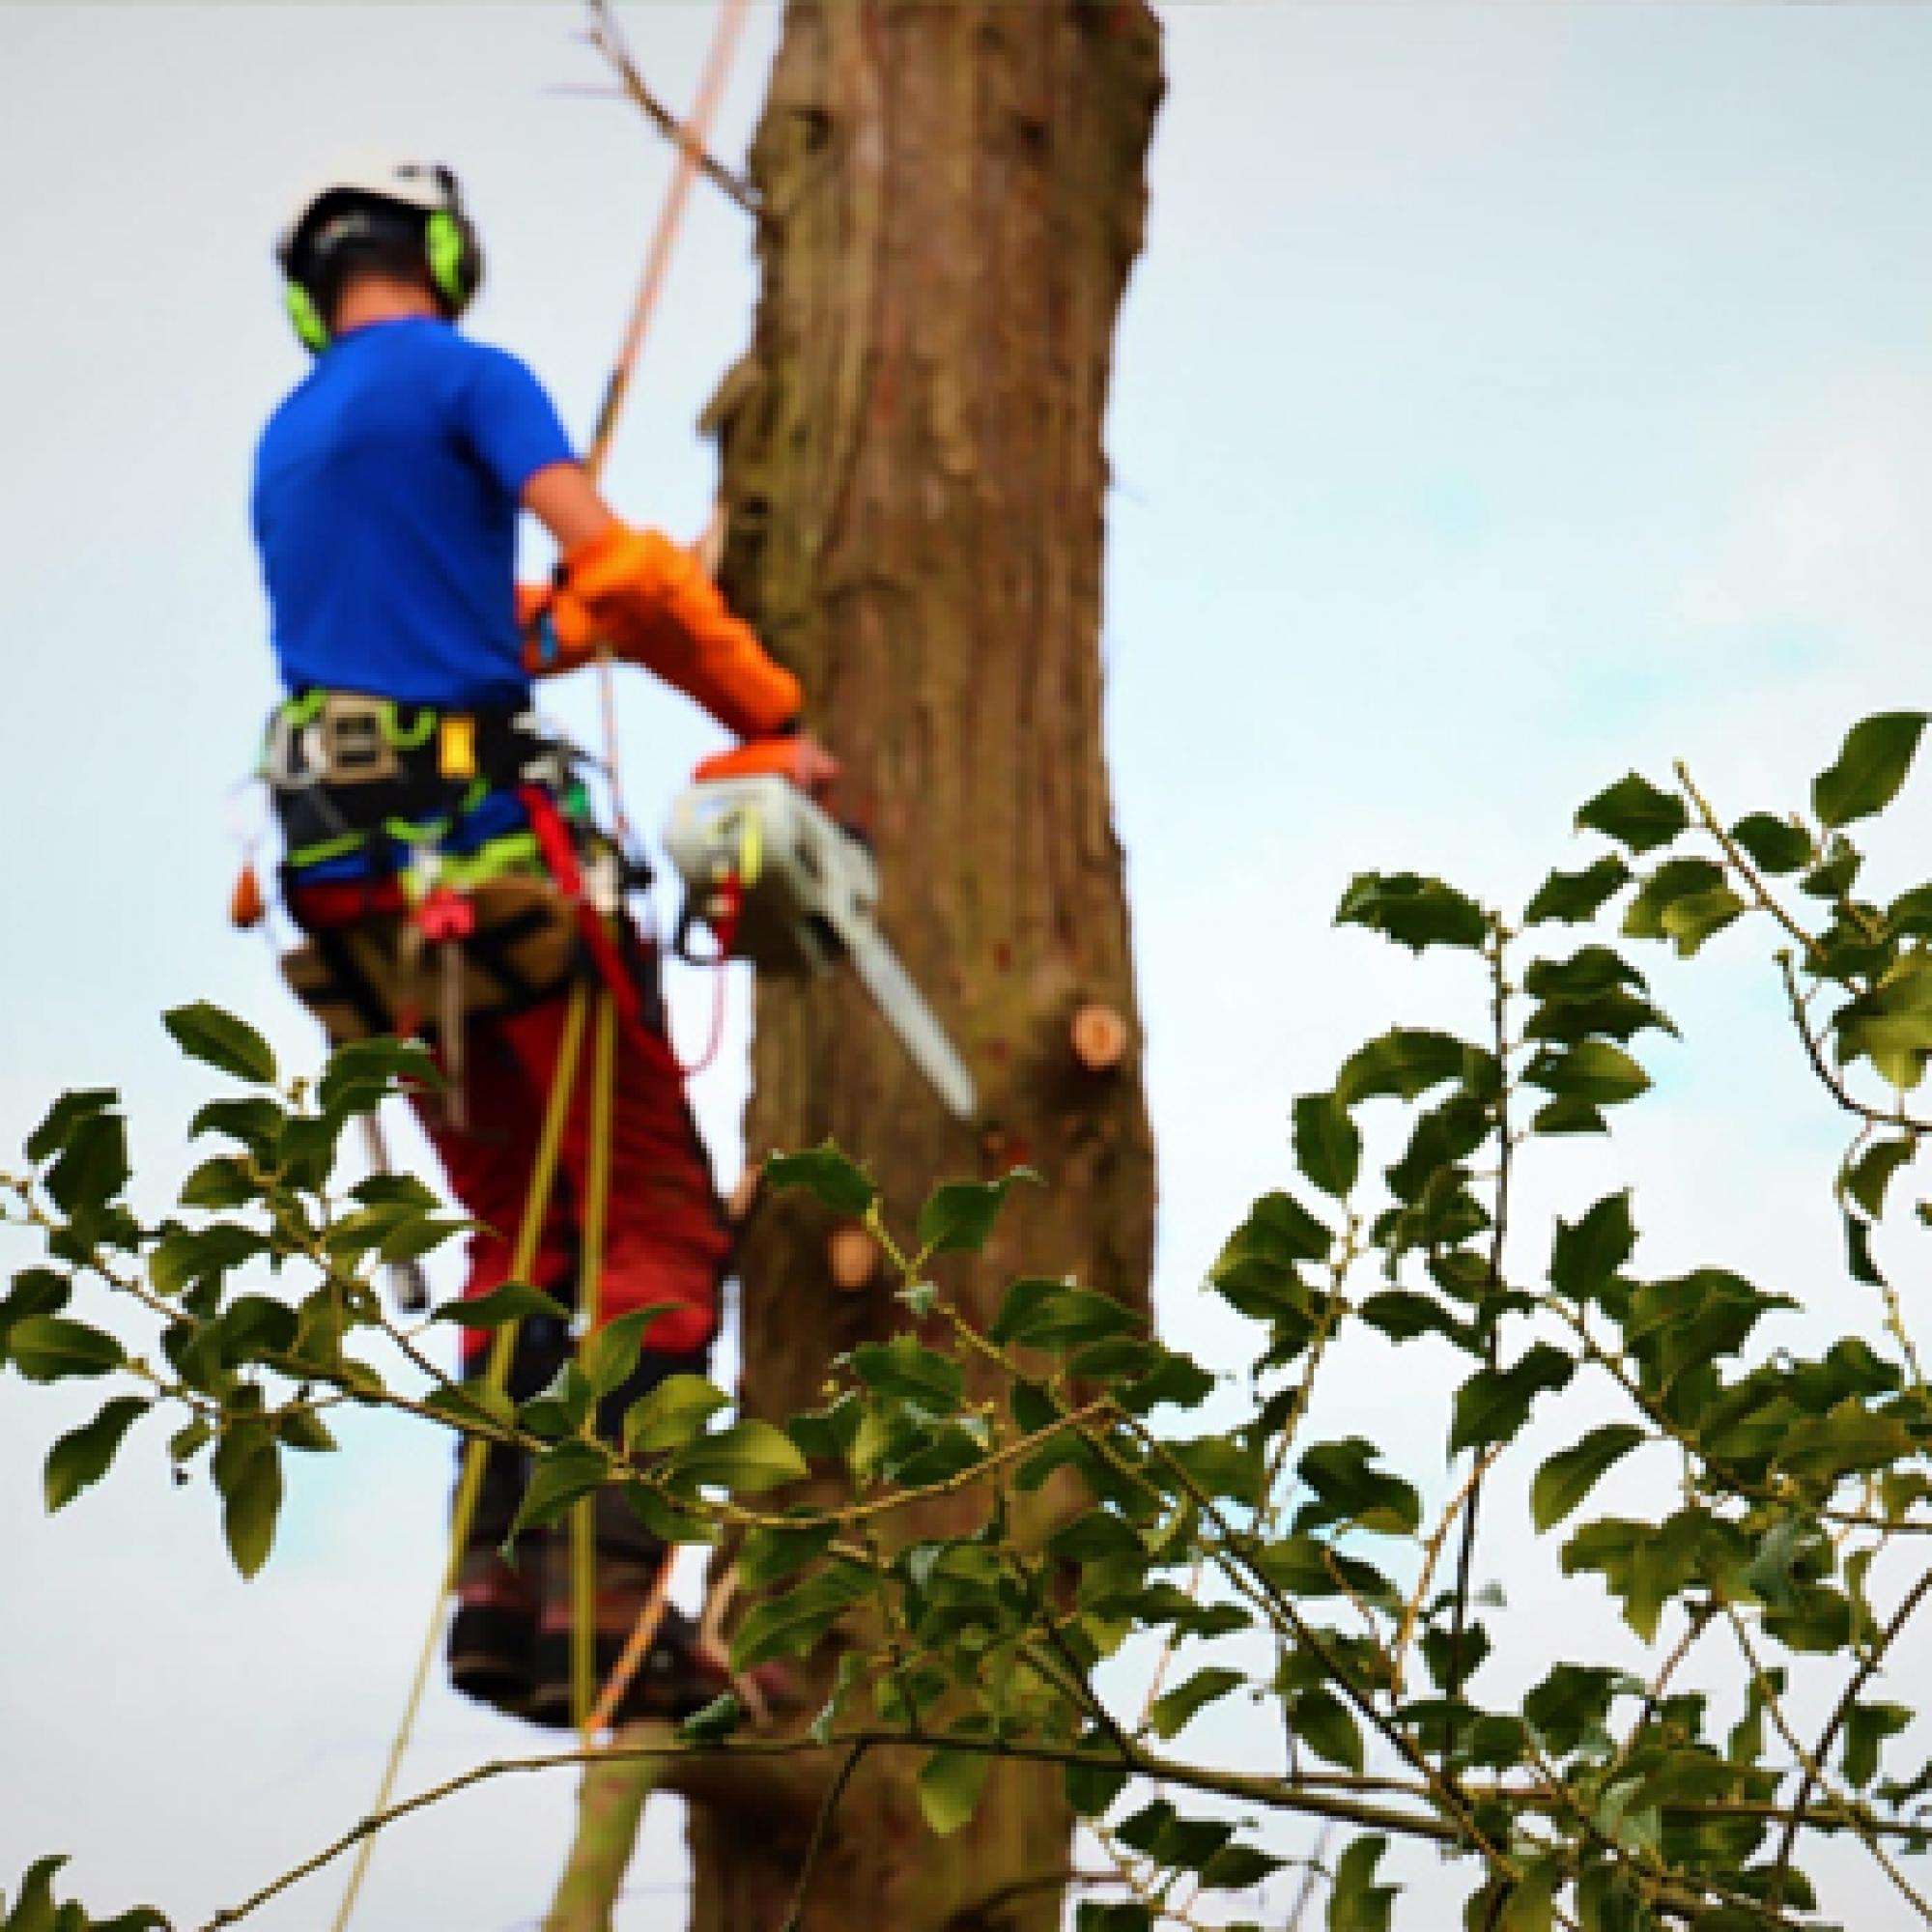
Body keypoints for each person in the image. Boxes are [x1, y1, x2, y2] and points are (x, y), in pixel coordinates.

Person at [251, 158, 833, 1726]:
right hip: (491, 876)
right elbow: (615, 565)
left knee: (523, 1245)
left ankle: (497, 1601)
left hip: (357, 903)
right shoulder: (470, 375)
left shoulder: (293, 436)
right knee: (651, 1228)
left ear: (318, 293)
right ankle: (625, 1611)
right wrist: (771, 714)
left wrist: (589, 619)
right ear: (444, 256)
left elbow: (462, 635)